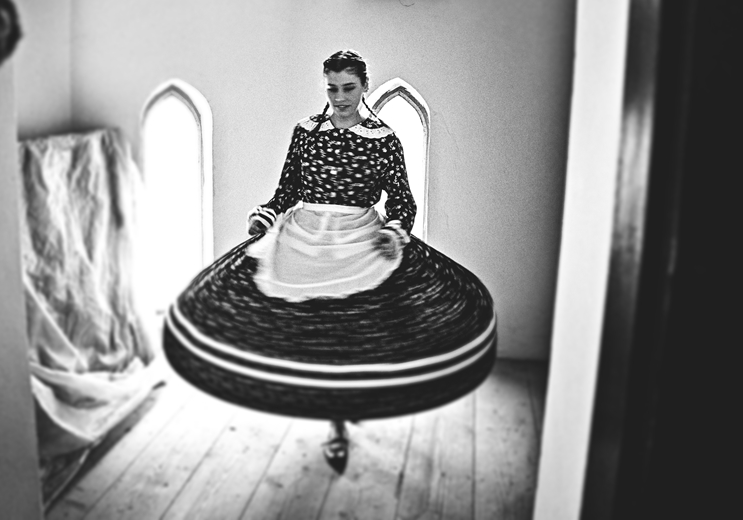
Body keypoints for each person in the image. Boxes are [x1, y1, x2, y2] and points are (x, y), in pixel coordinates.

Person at [163, 50, 496, 474]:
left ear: (364, 86)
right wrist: (265, 216)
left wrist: (394, 231)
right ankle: (324, 413)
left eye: (348, 88)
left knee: (350, 336)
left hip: (359, 240)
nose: (339, 97)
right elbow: (287, 190)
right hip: (302, 238)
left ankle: (344, 416)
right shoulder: (306, 133)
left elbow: (402, 201)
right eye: (332, 88)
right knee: (309, 336)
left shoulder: (384, 139)